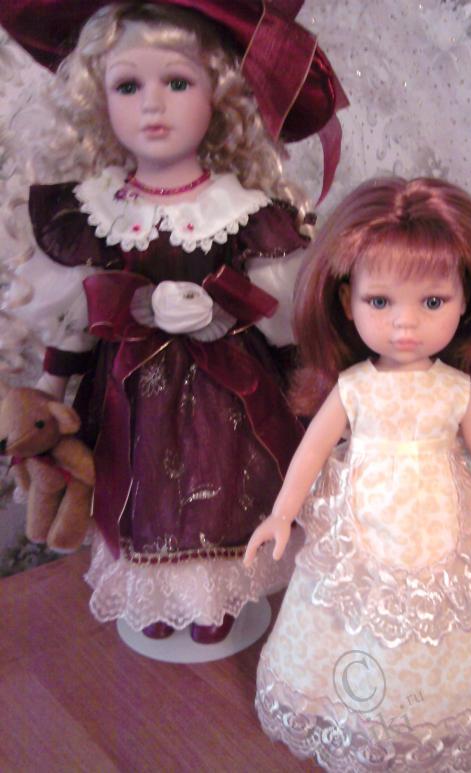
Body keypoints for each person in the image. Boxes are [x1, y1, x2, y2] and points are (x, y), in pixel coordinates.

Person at [1, 1, 346, 645]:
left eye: (178, 82)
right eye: (128, 86)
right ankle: (154, 597)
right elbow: (75, 318)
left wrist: (230, 314)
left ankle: (216, 601)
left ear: (221, 93)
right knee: (139, 495)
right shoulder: (96, 209)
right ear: (97, 98)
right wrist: (49, 396)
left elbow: (284, 319)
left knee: (225, 489)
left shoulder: (243, 207)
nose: (152, 106)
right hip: (126, 395)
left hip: (227, 397)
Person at [244, 177, 471, 770]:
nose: (404, 325)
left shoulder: (455, 390)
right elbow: (312, 450)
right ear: (347, 302)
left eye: (432, 302)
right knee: (355, 618)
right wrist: (282, 514)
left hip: (443, 522)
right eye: (381, 302)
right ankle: (362, 718)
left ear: (466, 303)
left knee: (451, 622)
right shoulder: (355, 387)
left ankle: (437, 716)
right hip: (362, 523)